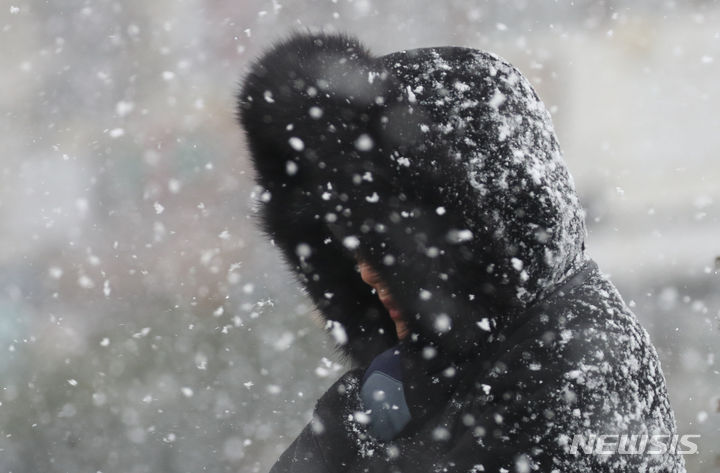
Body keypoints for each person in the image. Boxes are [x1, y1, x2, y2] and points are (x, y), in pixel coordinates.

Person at [238, 32, 686, 473]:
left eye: (387, 245)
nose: (367, 276)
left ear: (473, 236)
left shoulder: (574, 384)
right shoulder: (395, 390)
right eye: (350, 248)